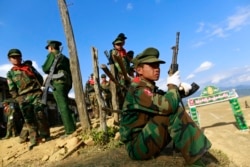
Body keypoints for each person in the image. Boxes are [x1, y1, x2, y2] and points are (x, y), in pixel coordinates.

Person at [119, 47, 211, 166]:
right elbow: (168, 106)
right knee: (172, 111)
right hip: (136, 148)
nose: (157, 69)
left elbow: (164, 99)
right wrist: (172, 85)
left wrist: (180, 90)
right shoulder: (138, 90)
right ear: (139, 70)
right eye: (152, 66)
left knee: (171, 109)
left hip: (143, 140)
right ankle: (196, 162)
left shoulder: (148, 88)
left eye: (158, 66)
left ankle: (193, 153)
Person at [6, 49, 50, 149]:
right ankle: (33, 139)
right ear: (10, 59)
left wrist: (39, 89)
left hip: (35, 93)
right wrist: (17, 98)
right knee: (29, 119)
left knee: (40, 114)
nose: (16, 59)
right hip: (23, 97)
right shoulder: (10, 74)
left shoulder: (28, 68)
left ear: (21, 57)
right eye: (13, 57)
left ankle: (45, 135)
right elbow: (12, 89)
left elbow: (39, 78)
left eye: (18, 56)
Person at [42, 40, 76, 137]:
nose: (48, 50)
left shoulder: (52, 55)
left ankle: (69, 130)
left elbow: (45, 68)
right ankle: (72, 125)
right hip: (67, 83)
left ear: (51, 48)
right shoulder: (65, 58)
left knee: (62, 106)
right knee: (65, 105)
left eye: (48, 48)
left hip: (58, 83)